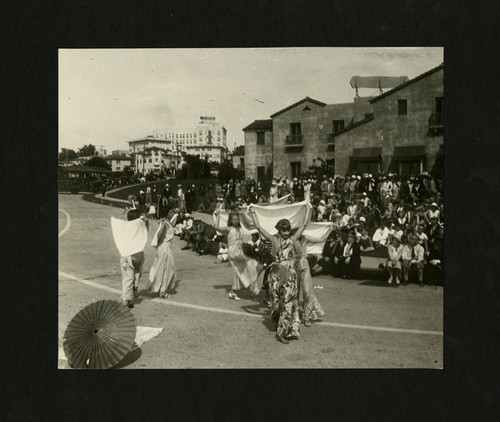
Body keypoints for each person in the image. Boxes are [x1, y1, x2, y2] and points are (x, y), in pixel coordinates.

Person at [250, 206, 311, 344]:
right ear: (279, 230)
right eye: (283, 230)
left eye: (288, 229)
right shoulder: (274, 240)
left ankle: (281, 332)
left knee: (289, 304)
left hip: (289, 275)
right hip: (276, 275)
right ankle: (276, 315)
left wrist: (308, 209)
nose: (286, 232)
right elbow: (258, 227)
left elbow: (304, 224)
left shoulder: (293, 239)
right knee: (277, 303)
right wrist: (252, 212)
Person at [214, 210, 261, 301]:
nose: (236, 221)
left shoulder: (240, 228)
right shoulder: (229, 229)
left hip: (239, 251)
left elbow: (250, 223)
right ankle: (252, 285)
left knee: (240, 271)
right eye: (234, 220)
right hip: (233, 252)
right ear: (230, 221)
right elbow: (216, 227)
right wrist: (218, 215)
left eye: (237, 219)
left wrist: (244, 212)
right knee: (250, 262)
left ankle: (233, 291)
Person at [111, 209, 149, 308]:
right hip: (138, 255)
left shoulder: (125, 228)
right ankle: (135, 287)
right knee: (137, 274)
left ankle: (128, 298)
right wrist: (145, 221)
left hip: (128, 255)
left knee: (128, 277)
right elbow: (145, 232)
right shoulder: (140, 226)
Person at [148, 218, 176, 298]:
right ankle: (162, 291)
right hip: (164, 247)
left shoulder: (168, 222)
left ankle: (161, 289)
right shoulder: (165, 223)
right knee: (166, 269)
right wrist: (159, 243)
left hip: (166, 247)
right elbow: (159, 235)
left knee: (165, 268)